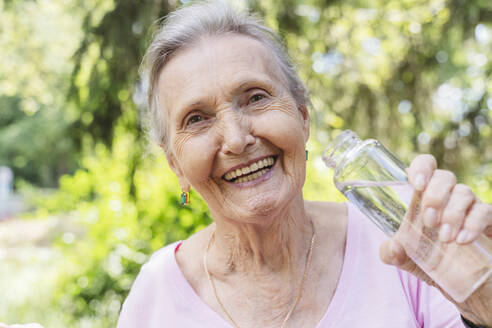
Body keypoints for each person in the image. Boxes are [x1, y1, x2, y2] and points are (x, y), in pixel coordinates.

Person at [114, 1, 492, 327]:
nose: (236, 138)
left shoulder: (403, 245)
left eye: (256, 98)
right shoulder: (157, 295)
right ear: (175, 164)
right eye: (196, 119)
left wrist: (484, 301)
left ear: (302, 117)